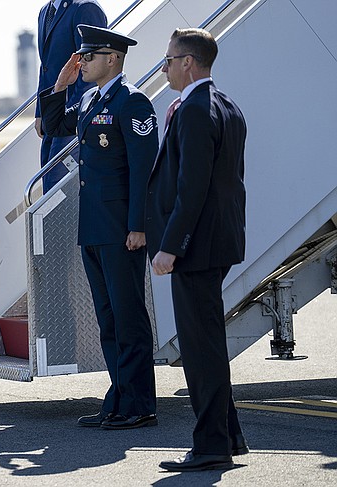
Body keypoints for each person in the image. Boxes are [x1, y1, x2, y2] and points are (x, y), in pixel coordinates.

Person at [40, 25, 158, 429]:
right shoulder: (91, 102)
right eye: (81, 56)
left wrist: (138, 225)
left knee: (129, 318)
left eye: (89, 56)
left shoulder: (133, 102)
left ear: (114, 58)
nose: (82, 61)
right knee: (108, 319)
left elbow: (145, 170)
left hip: (122, 229)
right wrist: (60, 84)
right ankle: (119, 399)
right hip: (93, 226)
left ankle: (140, 405)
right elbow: (52, 125)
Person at [146, 28, 248, 472]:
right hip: (218, 241)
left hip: (196, 247)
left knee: (200, 347)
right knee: (208, 342)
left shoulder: (192, 111)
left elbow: (193, 188)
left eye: (168, 60)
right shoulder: (228, 106)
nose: (164, 67)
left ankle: (210, 446)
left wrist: (171, 246)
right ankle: (229, 436)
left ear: (188, 62)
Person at [36, 0, 106, 191]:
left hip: (71, 118)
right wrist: (40, 112)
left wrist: (73, 114)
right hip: (52, 114)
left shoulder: (85, 8)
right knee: (49, 186)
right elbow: (45, 68)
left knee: (61, 189)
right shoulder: (45, 11)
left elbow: (92, 70)